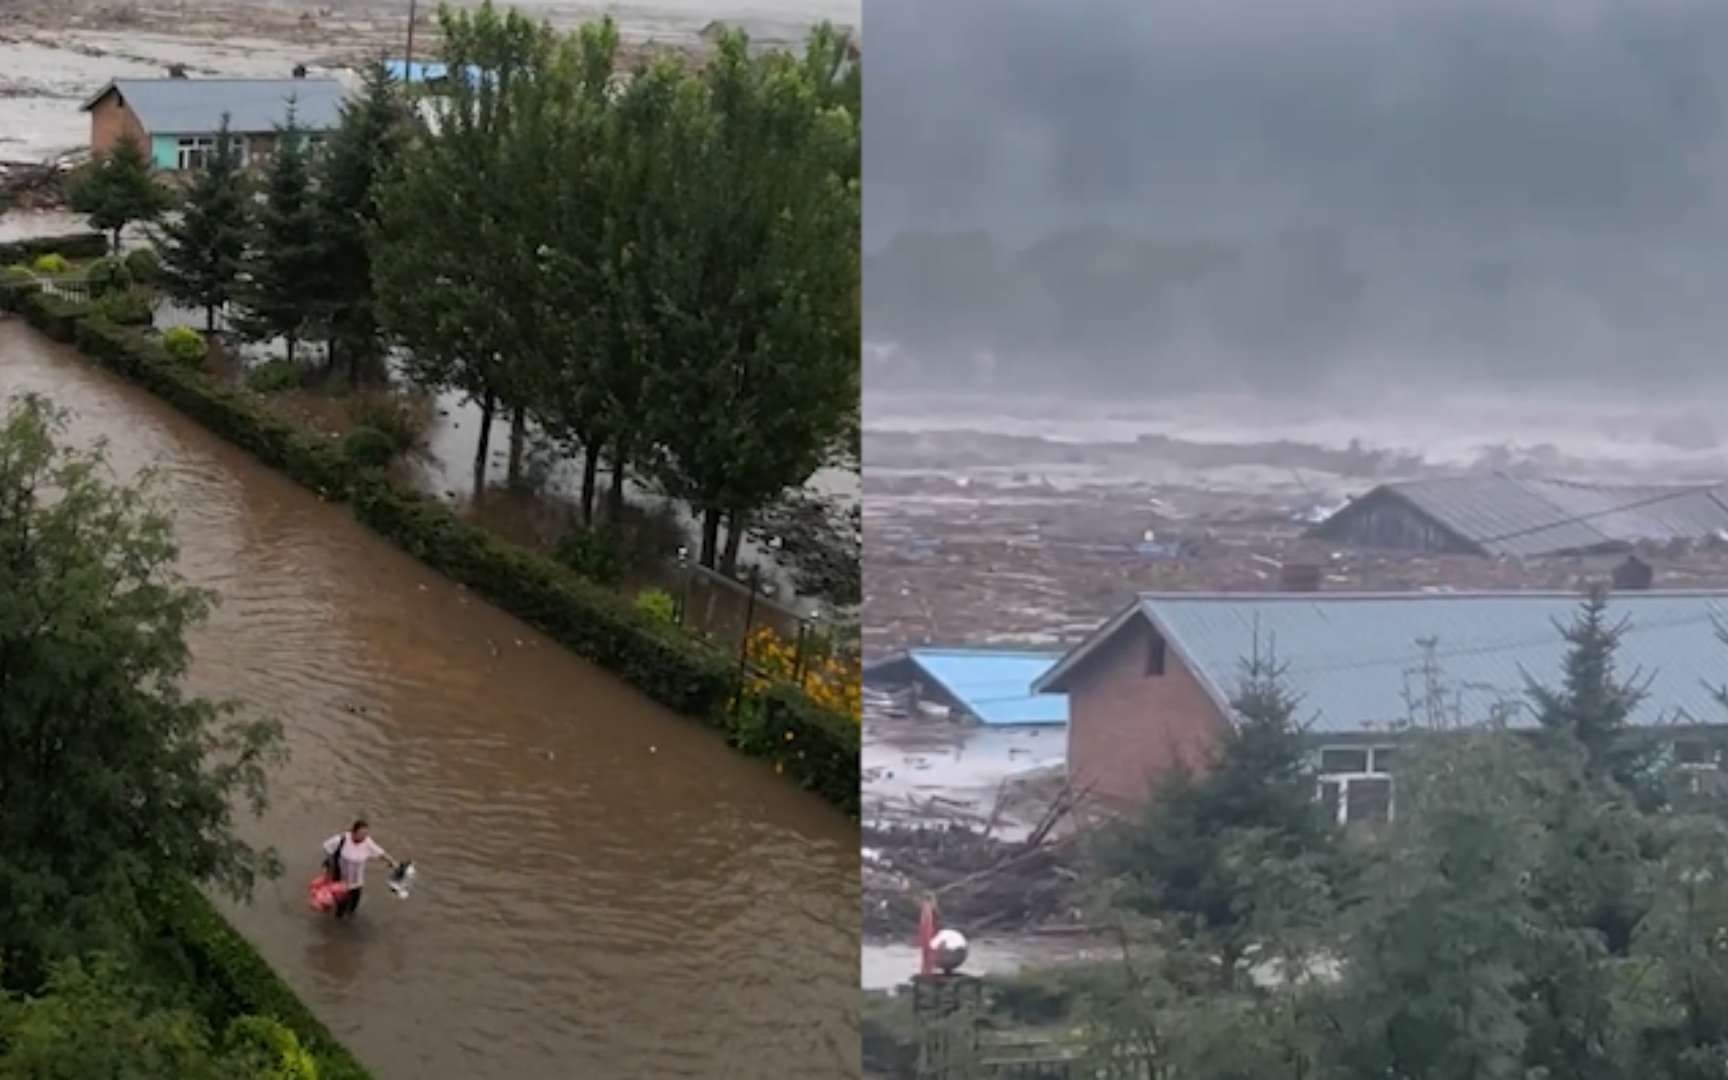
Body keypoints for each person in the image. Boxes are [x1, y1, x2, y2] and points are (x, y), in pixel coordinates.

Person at [321, 819, 398, 920]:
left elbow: (380, 853)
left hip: (357, 882)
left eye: (365, 834)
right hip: (341, 879)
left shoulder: (367, 842)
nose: (363, 837)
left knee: (353, 908)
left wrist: (392, 862)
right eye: (361, 834)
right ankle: (336, 926)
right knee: (341, 909)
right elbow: (326, 847)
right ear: (353, 832)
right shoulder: (342, 839)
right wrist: (331, 865)